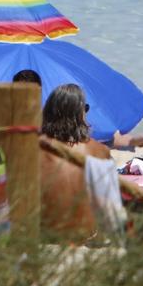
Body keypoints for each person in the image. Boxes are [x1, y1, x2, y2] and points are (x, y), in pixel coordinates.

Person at [39, 83, 108, 239]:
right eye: (86, 108)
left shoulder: (32, 148)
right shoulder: (100, 151)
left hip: (43, 232)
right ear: (80, 114)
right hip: (84, 233)